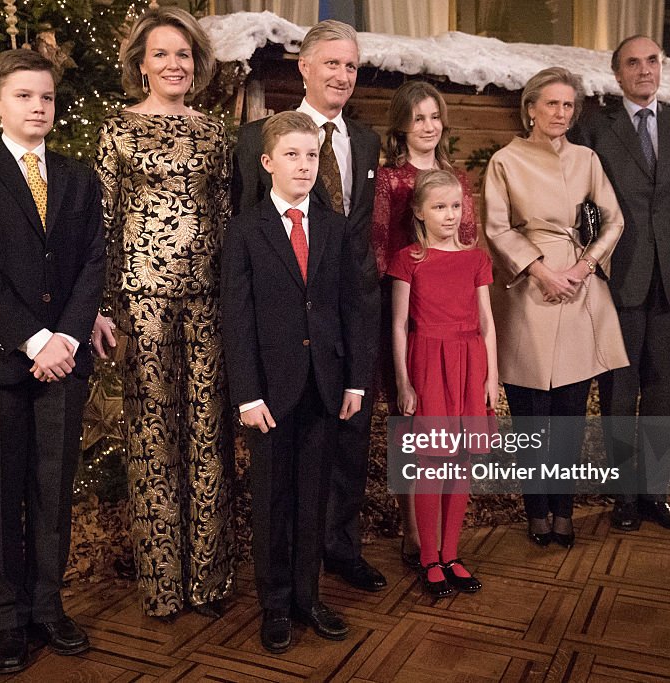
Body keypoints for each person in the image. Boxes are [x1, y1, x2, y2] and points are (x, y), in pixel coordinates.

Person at [0, 49, 104, 674]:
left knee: (51, 493)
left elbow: (94, 259)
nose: (39, 106)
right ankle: (7, 619)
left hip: (64, 361)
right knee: (1, 495)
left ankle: (47, 607)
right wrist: (35, 340)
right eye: (24, 96)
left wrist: (66, 337)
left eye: (46, 97)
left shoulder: (76, 175)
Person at [231, 19, 385, 594]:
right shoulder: (256, 140)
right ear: (304, 66)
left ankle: (337, 549)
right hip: (284, 328)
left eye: (351, 65)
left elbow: (363, 231)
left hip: (350, 314)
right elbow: (252, 234)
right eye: (332, 63)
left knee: (346, 441)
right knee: (285, 463)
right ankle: (285, 579)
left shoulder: (364, 140)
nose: (342, 75)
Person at [91, 6, 234, 619]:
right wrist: (103, 307)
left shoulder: (214, 131)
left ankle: (208, 582)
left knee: (207, 433)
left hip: (208, 300)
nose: (173, 64)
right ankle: (162, 586)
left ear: (196, 63)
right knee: (153, 438)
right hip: (141, 302)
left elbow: (227, 221)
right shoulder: (117, 130)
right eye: (161, 54)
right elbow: (101, 225)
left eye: (183, 54)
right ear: (141, 64)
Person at [222, 111, 375, 653]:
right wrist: (247, 393)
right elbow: (237, 319)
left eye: (311, 156)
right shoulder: (245, 230)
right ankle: (277, 603)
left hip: (325, 385)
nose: (304, 165)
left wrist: (356, 381)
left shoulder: (334, 227)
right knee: (272, 499)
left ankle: (309, 596)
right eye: (292, 155)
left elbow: (355, 309)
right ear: (267, 164)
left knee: (314, 496)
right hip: (269, 391)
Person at [570, 35, 670, 534]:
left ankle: (656, 493)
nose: (644, 70)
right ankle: (623, 497)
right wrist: (589, 265)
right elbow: (583, 207)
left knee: (662, 390)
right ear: (618, 74)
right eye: (633, 63)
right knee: (618, 390)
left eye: (652, 60)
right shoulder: (594, 128)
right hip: (619, 277)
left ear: (661, 66)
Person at [483, 66, 628, 549]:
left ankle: (562, 511)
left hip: (580, 288)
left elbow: (614, 220)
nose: (561, 114)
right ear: (530, 108)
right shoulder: (505, 160)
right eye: (552, 104)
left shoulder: (587, 158)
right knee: (530, 415)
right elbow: (497, 229)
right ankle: (536, 510)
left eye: (568, 106)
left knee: (569, 412)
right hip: (528, 290)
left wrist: (582, 270)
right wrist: (543, 272)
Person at [370, 80, 479, 568]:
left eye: (435, 116)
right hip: (406, 314)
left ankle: (442, 537)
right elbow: (378, 246)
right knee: (409, 424)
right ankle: (412, 529)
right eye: (418, 118)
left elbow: (468, 241)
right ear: (402, 126)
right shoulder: (391, 179)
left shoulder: (457, 178)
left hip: (452, 324)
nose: (428, 126)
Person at [388, 169, 494, 597]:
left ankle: (452, 553)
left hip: (470, 362)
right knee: (432, 463)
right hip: (428, 362)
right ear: (419, 212)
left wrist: (493, 379)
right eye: (439, 207)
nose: (450, 215)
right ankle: (429, 557)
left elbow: (488, 323)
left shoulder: (476, 258)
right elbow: (398, 325)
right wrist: (404, 382)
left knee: (462, 461)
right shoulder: (408, 259)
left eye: (455, 206)